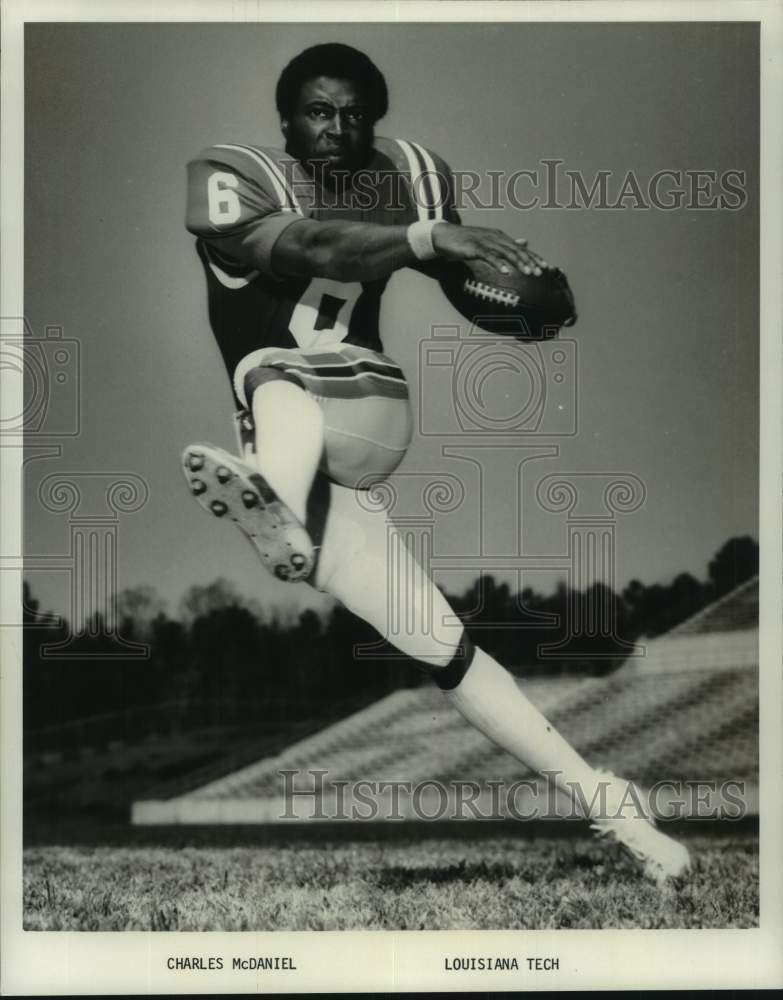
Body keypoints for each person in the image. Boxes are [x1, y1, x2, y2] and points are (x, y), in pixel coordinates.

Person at [183, 42, 690, 883]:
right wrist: (427, 236)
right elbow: (321, 250)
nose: (336, 129)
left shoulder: (414, 172)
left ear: (375, 121)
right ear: (283, 120)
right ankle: (617, 811)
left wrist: (517, 302)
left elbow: (458, 282)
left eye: (354, 114)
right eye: (318, 111)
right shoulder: (230, 176)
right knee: (446, 653)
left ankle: (272, 501)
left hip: (366, 409)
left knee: (273, 370)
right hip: (295, 450)